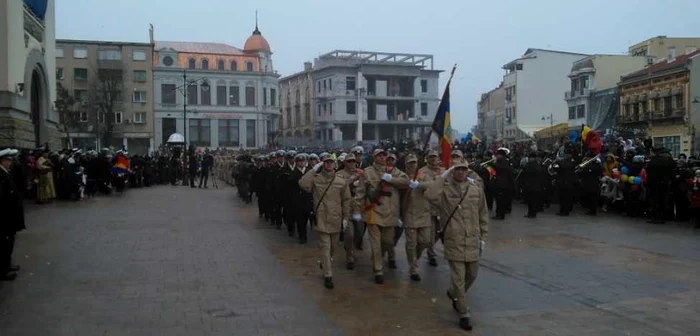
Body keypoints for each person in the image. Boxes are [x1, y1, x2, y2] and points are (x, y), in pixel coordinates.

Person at [422, 161, 488, 332]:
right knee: (458, 278)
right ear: (453, 171)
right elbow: (429, 194)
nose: (460, 172)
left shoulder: (475, 189)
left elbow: (483, 214)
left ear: (468, 171)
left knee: (472, 274)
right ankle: (464, 313)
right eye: (457, 169)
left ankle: (454, 294)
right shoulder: (445, 190)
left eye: (463, 169)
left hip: (472, 239)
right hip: (454, 240)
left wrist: (483, 236)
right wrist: (443, 175)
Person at [354, 148, 409, 284]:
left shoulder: (393, 171)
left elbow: (405, 181)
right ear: (374, 157)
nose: (382, 157)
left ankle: (379, 259)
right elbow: (360, 192)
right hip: (374, 212)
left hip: (390, 213)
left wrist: (391, 179)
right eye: (379, 155)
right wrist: (356, 210)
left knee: (388, 242)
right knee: (375, 245)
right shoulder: (367, 172)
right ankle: (378, 270)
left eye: (384, 155)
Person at [298, 153, 352, 289]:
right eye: (326, 162)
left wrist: (346, 218)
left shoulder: (340, 181)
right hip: (322, 218)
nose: (328, 164)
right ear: (323, 164)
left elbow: (346, 200)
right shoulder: (316, 179)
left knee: (333, 247)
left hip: (336, 218)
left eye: (330, 162)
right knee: (325, 247)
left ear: (335, 164)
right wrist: (314, 169)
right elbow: (302, 183)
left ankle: (325, 261)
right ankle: (328, 275)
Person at [402, 154, 433, 281]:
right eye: (410, 163)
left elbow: (432, 184)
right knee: (411, 243)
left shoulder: (423, 175)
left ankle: (415, 258)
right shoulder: (402, 176)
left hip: (424, 213)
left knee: (425, 241)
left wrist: (418, 185)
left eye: (414, 162)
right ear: (406, 164)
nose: (412, 165)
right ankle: (413, 268)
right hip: (409, 214)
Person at [335, 153, 364, 269]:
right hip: (346, 208)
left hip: (360, 208)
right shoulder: (339, 174)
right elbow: (339, 187)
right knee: (349, 235)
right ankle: (350, 257)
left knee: (360, 234)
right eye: (349, 161)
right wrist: (352, 179)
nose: (352, 164)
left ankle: (350, 247)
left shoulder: (361, 172)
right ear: (345, 163)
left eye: (354, 162)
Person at [0, 148, 25, 281]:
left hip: (10, 216)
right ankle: (3, 271)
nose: (10, 162)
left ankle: (7, 266)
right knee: (4, 244)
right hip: (5, 217)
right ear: (2, 161)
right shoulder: (1, 175)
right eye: (8, 160)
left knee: (9, 243)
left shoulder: (5, 172)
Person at [422, 150, 444, 267]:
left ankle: (431, 248)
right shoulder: (422, 171)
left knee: (440, 233)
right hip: (428, 207)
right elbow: (420, 185)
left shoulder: (443, 171)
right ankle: (431, 253)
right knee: (429, 234)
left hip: (441, 207)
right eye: (430, 157)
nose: (433, 159)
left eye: (435, 157)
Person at [522, 151, 546, 218]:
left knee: (534, 201)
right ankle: (530, 213)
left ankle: (533, 213)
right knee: (529, 200)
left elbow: (541, 173)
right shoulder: (530, 164)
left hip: (536, 185)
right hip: (530, 184)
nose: (538, 159)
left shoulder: (539, 165)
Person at [492, 148, 514, 220]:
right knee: (499, 200)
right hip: (501, 184)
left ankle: (500, 215)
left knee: (500, 201)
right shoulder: (503, 162)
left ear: (501, 155)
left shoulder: (502, 163)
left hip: (501, 184)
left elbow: (496, 171)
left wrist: (491, 165)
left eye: (497, 155)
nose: (496, 156)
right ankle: (499, 214)